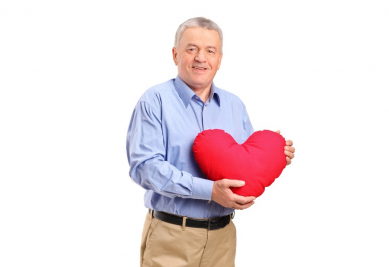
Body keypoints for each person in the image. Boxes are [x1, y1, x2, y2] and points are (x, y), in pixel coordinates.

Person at [126, 17, 295, 267]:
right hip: (171, 236)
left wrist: (277, 154)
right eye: (191, 49)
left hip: (223, 238)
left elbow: (246, 160)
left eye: (210, 51)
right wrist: (210, 192)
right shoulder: (154, 101)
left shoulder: (234, 105)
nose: (201, 58)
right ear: (175, 54)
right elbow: (145, 168)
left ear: (220, 59)